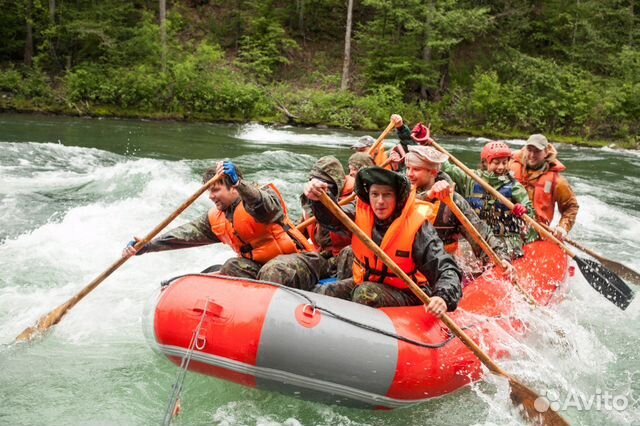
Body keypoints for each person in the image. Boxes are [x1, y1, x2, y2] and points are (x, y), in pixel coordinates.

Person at [122, 161, 326, 290]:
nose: (211, 197)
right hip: (261, 268)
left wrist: (239, 183)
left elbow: (265, 206)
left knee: (273, 271)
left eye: (216, 190)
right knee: (232, 266)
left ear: (234, 189)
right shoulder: (217, 216)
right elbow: (185, 234)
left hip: (300, 261)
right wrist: (148, 245)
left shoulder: (259, 199)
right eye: (209, 191)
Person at [304, 166, 462, 316]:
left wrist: (443, 297)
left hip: (410, 292)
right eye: (375, 194)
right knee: (325, 292)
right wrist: (318, 200)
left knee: (365, 293)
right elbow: (332, 218)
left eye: (387, 195)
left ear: (397, 198)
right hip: (370, 281)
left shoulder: (418, 227)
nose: (380, 201)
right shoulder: (359, 212)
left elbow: (445, 267)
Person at [404, 145, 515, 277]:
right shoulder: (402, 194)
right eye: (408, 168)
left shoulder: (454, 201)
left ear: (433, 173)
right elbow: (408, 204)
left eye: (416, 169)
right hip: (406, 265)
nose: (409, 174)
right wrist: (428, 195)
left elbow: (480, 233)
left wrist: (501, 258)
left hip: (440, 268)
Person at [441, 141, 538, 259]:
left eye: (504, 162)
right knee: (465, 259)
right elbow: (446, 167)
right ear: (485, 163)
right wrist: (426, 143)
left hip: (507, 240)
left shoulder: (515, 186)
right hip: (478, 238)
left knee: (502, 257)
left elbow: (530, 212)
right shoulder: (470, 179)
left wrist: (523, 210)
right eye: (496, 163)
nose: (501, 167)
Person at [510, 134, 579, 240]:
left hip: (537, 232)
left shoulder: (557, 181)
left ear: (546, 152)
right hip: (509, 226)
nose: (532, 155)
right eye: (530, 150)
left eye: (537, 151)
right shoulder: (509, 166)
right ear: (525, 149)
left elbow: (571, 207)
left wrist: (562, 228)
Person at [299, 156, 354, 280]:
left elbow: (339, 221)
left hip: (344, 259)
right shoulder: (310, 199)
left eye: (326, 185)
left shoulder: (354, 200)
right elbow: (299, 234)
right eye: (316, 183)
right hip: (320, 256)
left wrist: (326, 203)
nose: (321, 189)